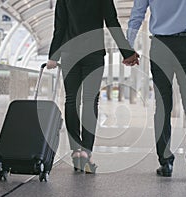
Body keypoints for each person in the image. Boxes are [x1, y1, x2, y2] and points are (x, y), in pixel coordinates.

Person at [127, 0, 186, 180]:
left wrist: (128, 46)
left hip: (160, 46)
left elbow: (137, 15)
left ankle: (165, 162)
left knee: (162, 105)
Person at [46, 0, 139, 174]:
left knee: (71, 100)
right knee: (90, 102)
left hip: (70, 53)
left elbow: (60, 26)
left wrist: (53, 56)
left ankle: (76, 152)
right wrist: (127, 52)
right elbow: (112, 23)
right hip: (93, 54)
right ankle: (86, 154)